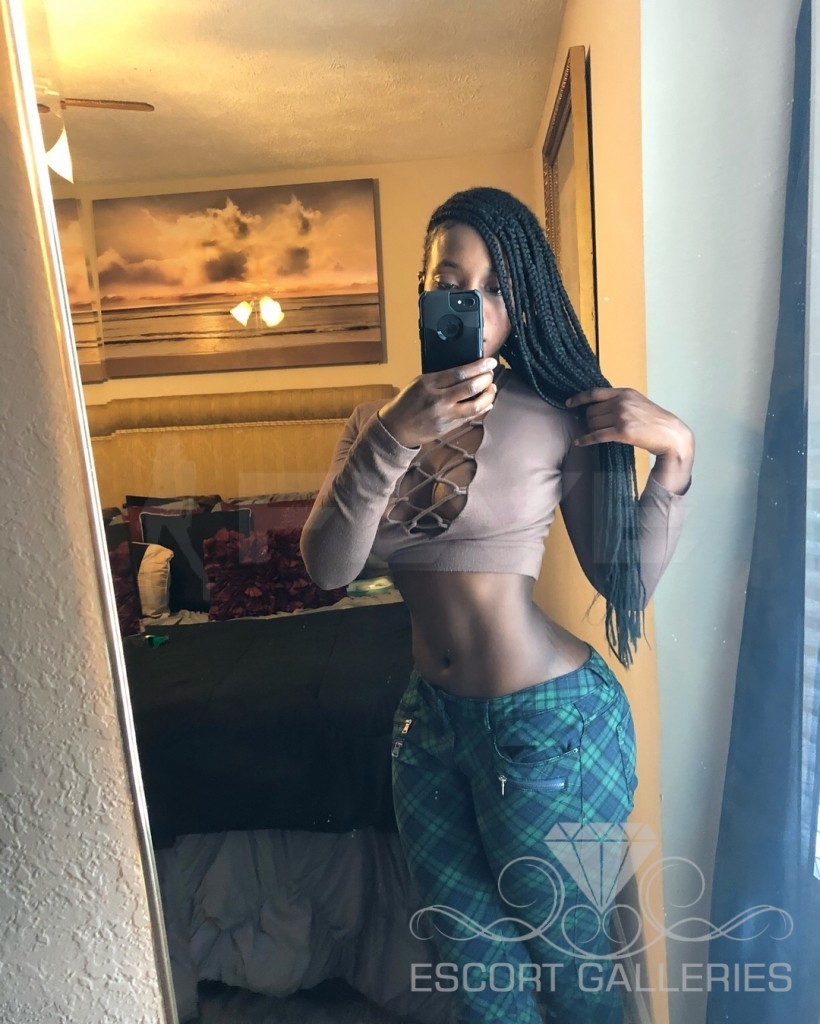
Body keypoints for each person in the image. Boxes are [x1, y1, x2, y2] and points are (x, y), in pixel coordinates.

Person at [301, 187, 693, 1024]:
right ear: (422, 291)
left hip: (550, 725)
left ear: (521, 307)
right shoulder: (374, 422)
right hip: (427, 729)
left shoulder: (553, 417)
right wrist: (395, 437)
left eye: (495, 289)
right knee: (480, 981)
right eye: (450, 283)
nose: (471, 307)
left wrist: (676, 458)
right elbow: (329, 568)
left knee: (574, 970)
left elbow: (622, 578)